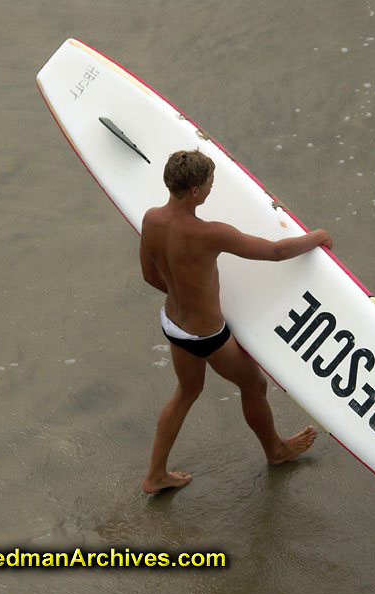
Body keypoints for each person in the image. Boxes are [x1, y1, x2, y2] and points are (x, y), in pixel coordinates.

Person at [140, 149, 333, 493]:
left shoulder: (151, 219)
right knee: (254, 386)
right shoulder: (210, 233)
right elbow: (276, 252)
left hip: (173, 324)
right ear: (196, 190)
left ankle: (155, 475)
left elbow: (149, 276)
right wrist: (316, 236)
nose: (213, 187)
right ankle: (275, 450)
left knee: (187, 391)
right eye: (210, 183)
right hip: (207, 336)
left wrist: (186, 294)